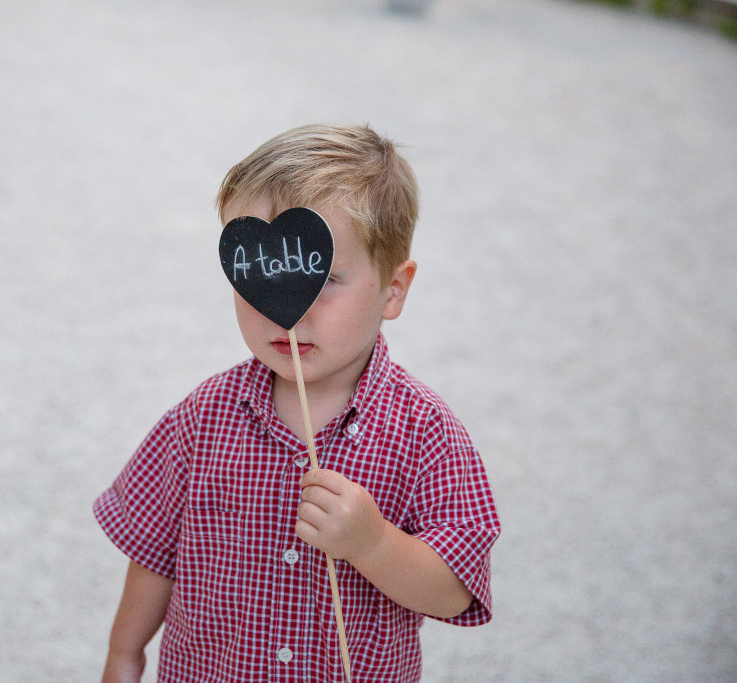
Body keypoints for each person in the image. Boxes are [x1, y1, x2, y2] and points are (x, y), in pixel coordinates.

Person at [94, 124, 500, 682]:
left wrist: (374, 543)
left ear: (393, 290)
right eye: (263, 273)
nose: (290, 308)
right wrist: (124, 654)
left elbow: (455, 591)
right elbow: (155, 551)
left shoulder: (425, 432)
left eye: (326, 278)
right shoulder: (203, 417)